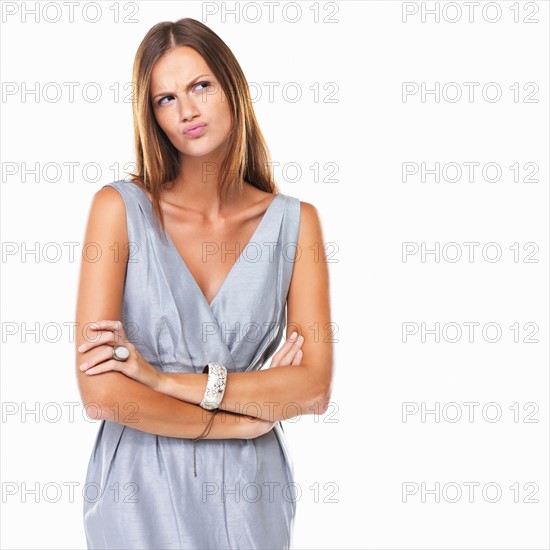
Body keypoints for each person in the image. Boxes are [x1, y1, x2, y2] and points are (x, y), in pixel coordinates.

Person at [74, 17, 333, 550]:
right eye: (165, 99)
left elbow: (312, 388)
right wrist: (236, 420)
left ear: (232, 86)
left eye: (200, 86)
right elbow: (102, 393)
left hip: (252, 487)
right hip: (139, 482)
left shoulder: (295, 223)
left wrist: (163, 381)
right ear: (153, 118)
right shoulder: (119, 210)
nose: (187, 110)